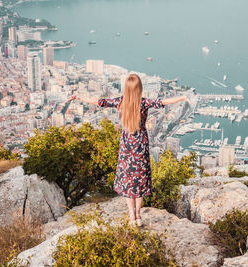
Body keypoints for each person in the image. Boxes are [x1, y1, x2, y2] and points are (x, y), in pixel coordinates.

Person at [70, 74, 190, 226]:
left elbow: (100, 102)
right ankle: (138, 216)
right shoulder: (144, 103)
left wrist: (79, 97)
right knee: (139, 180)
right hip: (141, 145)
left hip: (127, 146)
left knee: (128, 181)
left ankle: (132, 216)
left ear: (126, 88)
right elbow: (163, 102)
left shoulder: (121, 101)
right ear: (139, 88)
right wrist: (182, 98)